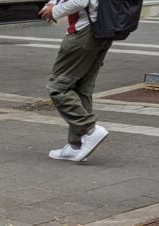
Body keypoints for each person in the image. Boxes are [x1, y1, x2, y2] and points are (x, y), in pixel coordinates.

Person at [40, 0, 110, 163]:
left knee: (58, 87)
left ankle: (90, 130)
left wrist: (55, 11)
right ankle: (76, 146)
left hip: (84, 32)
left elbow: (80, 1)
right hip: (103, 30)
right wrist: (52, 5)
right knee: (82, 88)